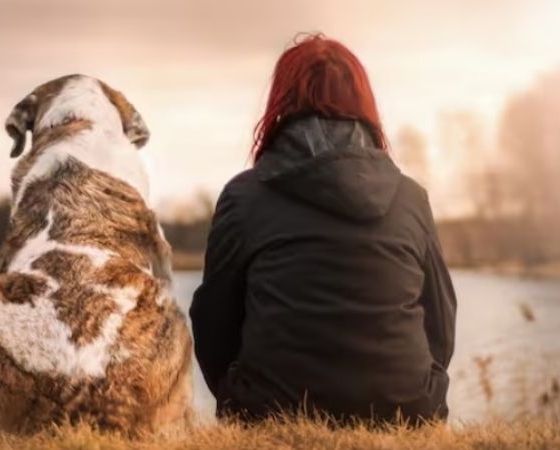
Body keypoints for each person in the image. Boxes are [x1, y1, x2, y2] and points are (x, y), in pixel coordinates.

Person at [189, 33, 457, 424]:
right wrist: (421, 390)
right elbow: (441, 321)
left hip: (271, 412)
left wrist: (237, 395)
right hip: (406, 411)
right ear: (363, 103)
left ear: (281, 103)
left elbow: (214, 321)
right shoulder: (410, 197)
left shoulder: (244, 197)